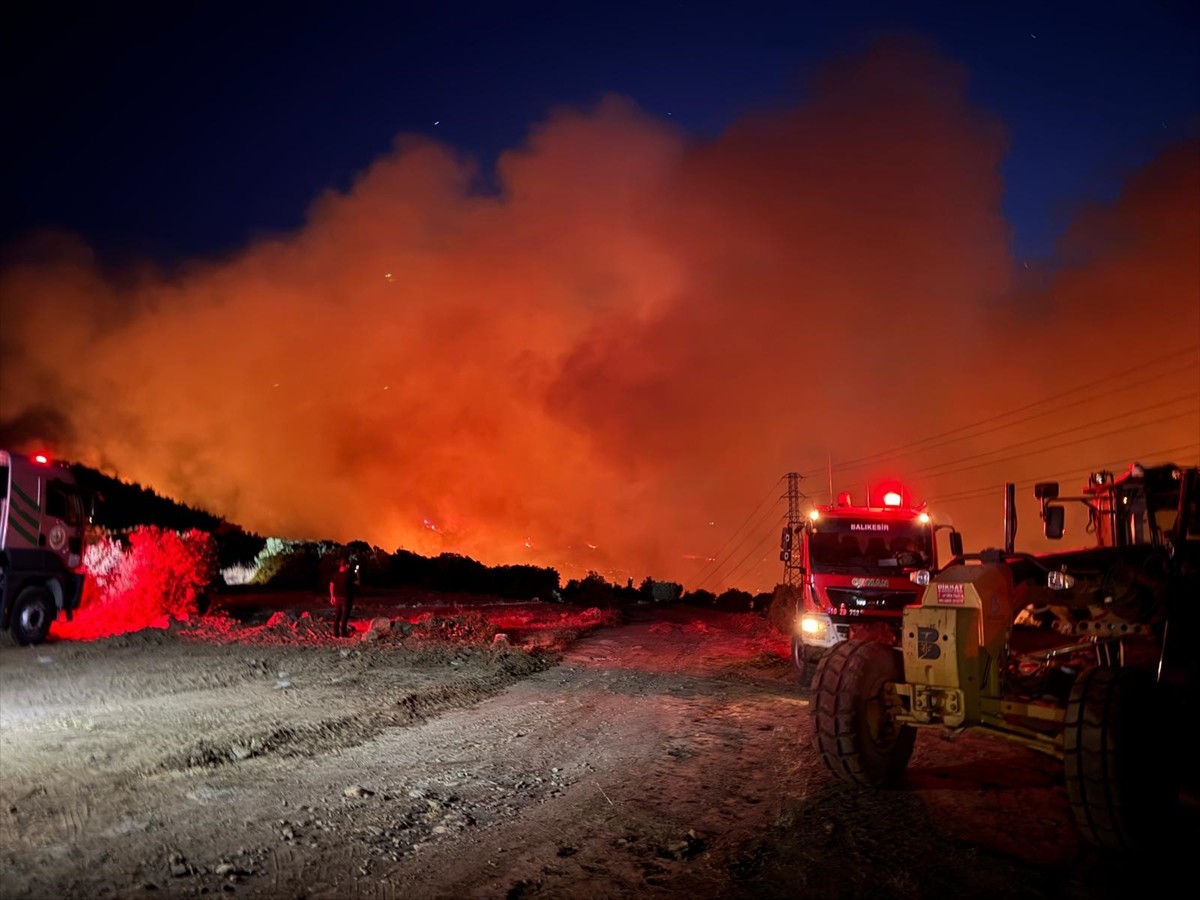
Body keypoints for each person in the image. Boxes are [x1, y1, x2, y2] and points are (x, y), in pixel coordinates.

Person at [329, 557, 357, 638]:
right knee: (344, 617)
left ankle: (336, 633)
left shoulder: (335, 574)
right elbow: (357, 582)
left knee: (337, 616)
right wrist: (357, 572)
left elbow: (331, 585)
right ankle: (343, 633)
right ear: (346, 565)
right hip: (346, 598)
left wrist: (332, 596)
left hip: (337, 597)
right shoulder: (349, 575)